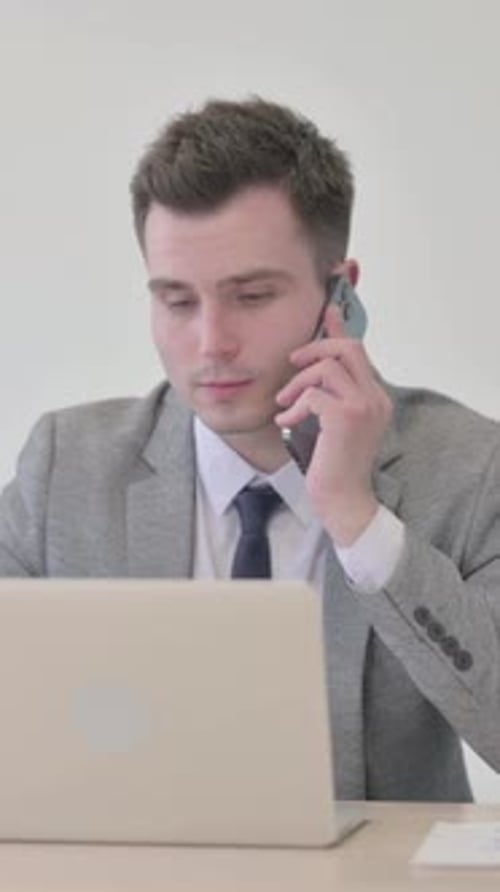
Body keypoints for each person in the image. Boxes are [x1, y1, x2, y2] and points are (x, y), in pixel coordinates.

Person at [1, 97, 499, 801]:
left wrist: (360, 521)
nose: (211, 343)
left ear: (340, 296)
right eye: (177, 301)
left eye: (252, 295)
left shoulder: (466, 468)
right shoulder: (68, 468)